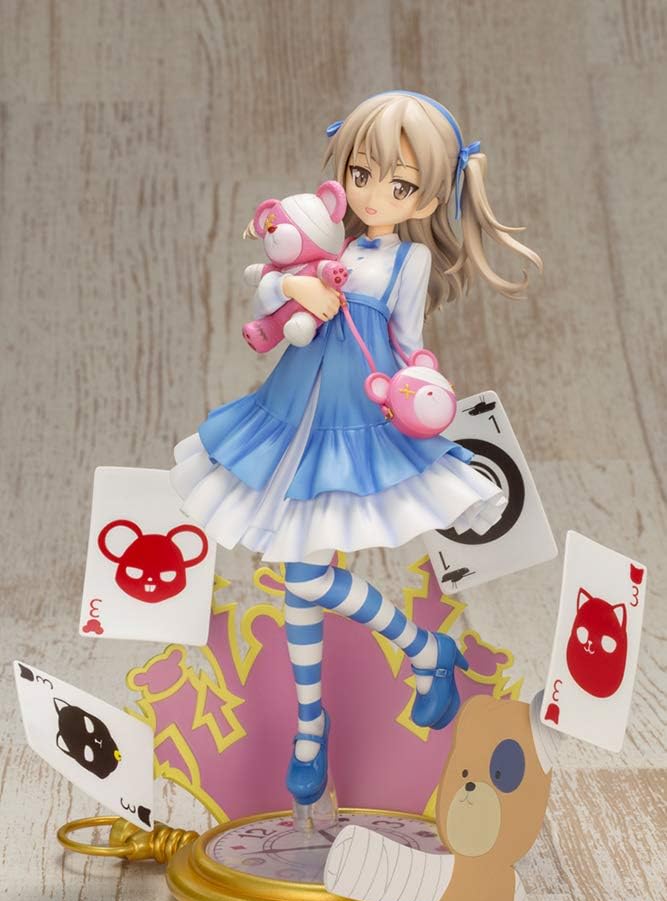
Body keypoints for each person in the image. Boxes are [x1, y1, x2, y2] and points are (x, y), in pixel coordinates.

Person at [170, 91, 542, 806]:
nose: (374, 196)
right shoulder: (328, 240)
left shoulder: (409, 263)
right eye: (362, 175)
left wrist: (422, 381)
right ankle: (322, 715)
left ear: (427, 199)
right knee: (298, 576)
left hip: (355, 423)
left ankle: (400, 665)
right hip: (290, 415)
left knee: (303, 578)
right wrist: (294, 284)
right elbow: (266, 287)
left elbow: (408, 342)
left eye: (399, 186)